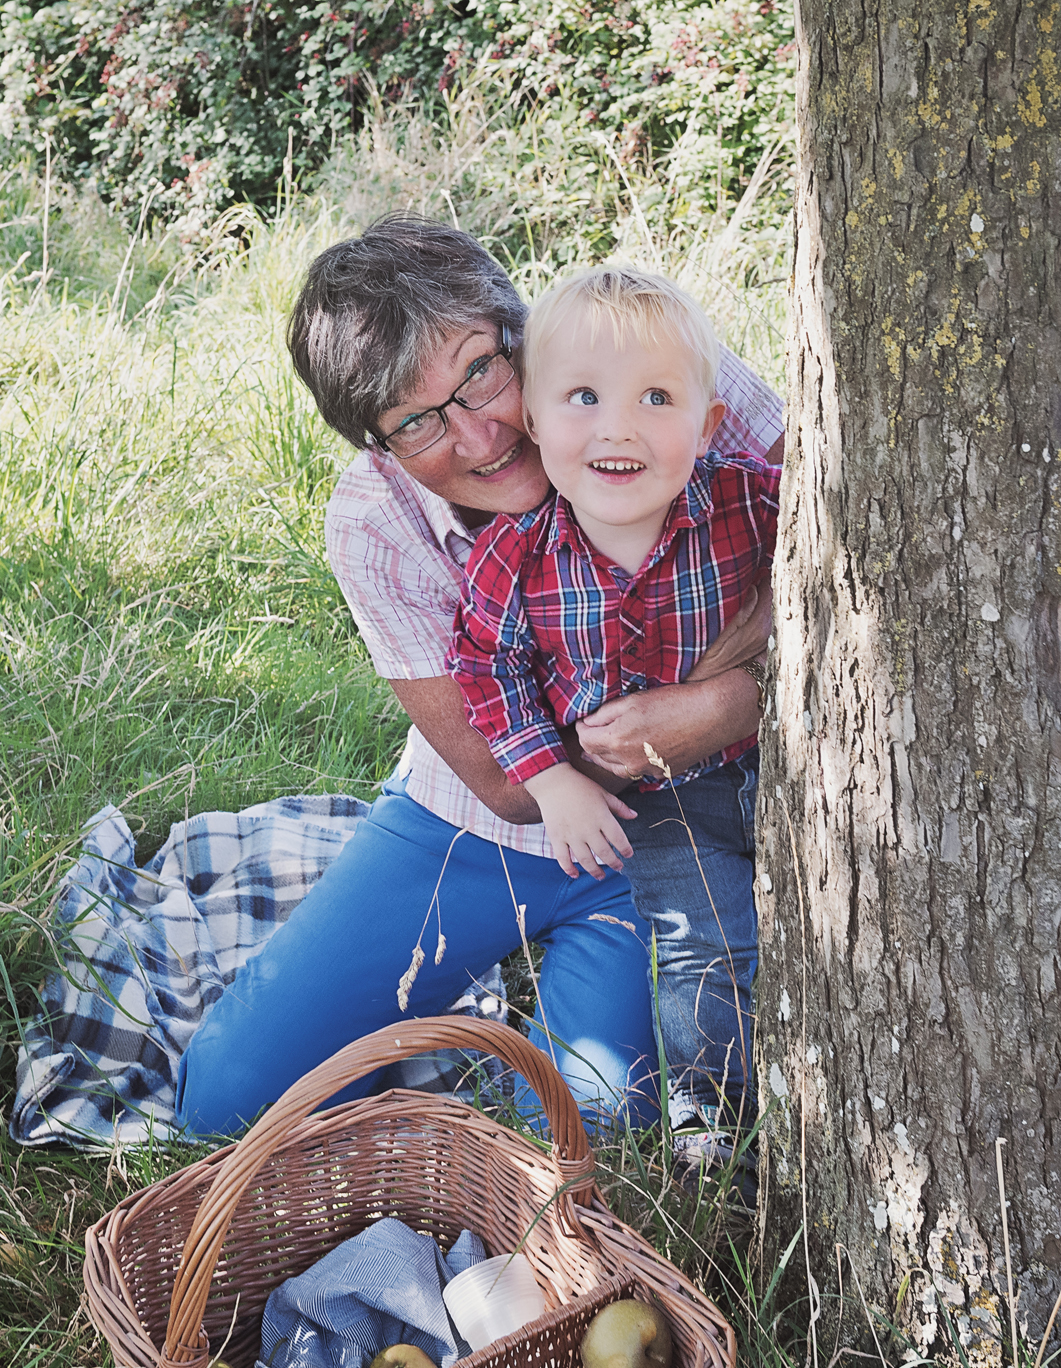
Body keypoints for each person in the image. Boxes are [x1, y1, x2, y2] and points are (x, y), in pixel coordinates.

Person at [174, 216, 783, 1139]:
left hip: (665, 835)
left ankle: (540, 1042)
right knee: (227, 1101)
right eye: (416, 421)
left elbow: (826, 535)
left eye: (479, 372)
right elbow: (501, 784)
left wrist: (727, 708)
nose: (479, 434)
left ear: (518, 333)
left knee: (598, 1119)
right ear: (378, 447)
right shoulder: (373, 521)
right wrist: (697, 705)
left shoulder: (645, 361)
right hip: (485, 825)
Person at [449, 267, 778, 1151]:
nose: (617, 426)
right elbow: (484, 666)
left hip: (784, 764)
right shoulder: (517, 558)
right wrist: (551, 780)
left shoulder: (751, 500)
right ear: (534, 419)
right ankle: (716, 1123)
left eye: (657, 398)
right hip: (665, 799)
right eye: (583, 396)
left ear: (707, 426)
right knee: (704, 942)